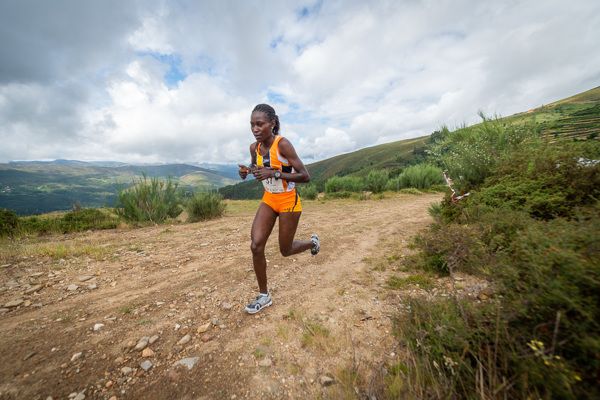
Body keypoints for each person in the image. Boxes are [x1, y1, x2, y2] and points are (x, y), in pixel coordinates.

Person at [238, 104, 320, 314]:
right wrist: (248, 171)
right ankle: (264, 296)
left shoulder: (282, 145)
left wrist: (274, 174)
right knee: (256, 246)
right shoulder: (253, 148)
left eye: (260, 124)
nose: (255, 129)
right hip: (269, 199)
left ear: (272, 124)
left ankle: (312, 242)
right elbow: (259, 169)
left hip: (288, 201)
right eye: (252, 125)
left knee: (285, 250)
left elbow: (305, 176)